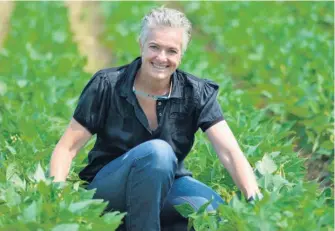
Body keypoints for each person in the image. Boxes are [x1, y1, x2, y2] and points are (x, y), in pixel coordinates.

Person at [49, 7, 262, 231]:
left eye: (171, 51)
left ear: (181, 55)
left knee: (214, 214)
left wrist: (255, 201)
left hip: (168, 184)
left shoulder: (196, 93)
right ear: (141, 45)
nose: (162, 57)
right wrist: (56, 200)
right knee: (158, 153)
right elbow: (67, 148)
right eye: (154, 47)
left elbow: (229, 152)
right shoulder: (108, 85)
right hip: (110, 190)